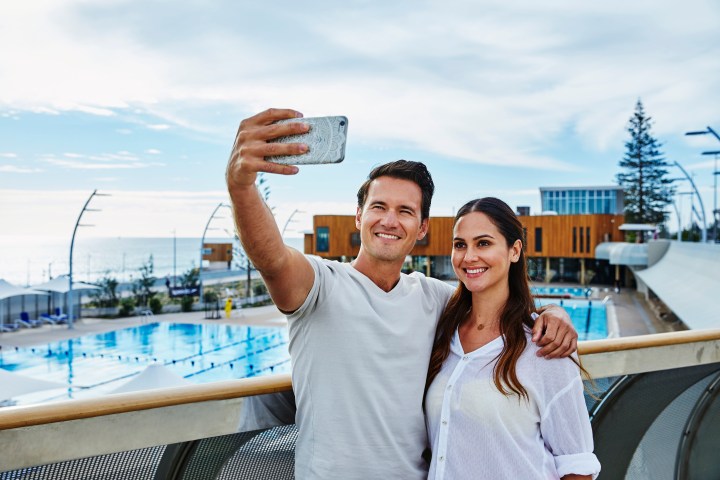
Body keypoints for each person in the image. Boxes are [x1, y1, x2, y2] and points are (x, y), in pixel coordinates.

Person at [226, 108, 578, 479]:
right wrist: (241, 186)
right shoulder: (319, 285)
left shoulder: (434, 298)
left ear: (422, 227)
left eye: (405, 211)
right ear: (359, 216)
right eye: (379, 206)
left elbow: (497, 300)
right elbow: (272, 258)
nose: (390, 220)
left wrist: (554, 311)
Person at [425, 197, 600, 480]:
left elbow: (577, 465)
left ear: (514, 250)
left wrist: (556, 313)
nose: (469, 256)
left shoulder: (545, 345)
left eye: (483, 243)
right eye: (460, 245)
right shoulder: (442, 331)